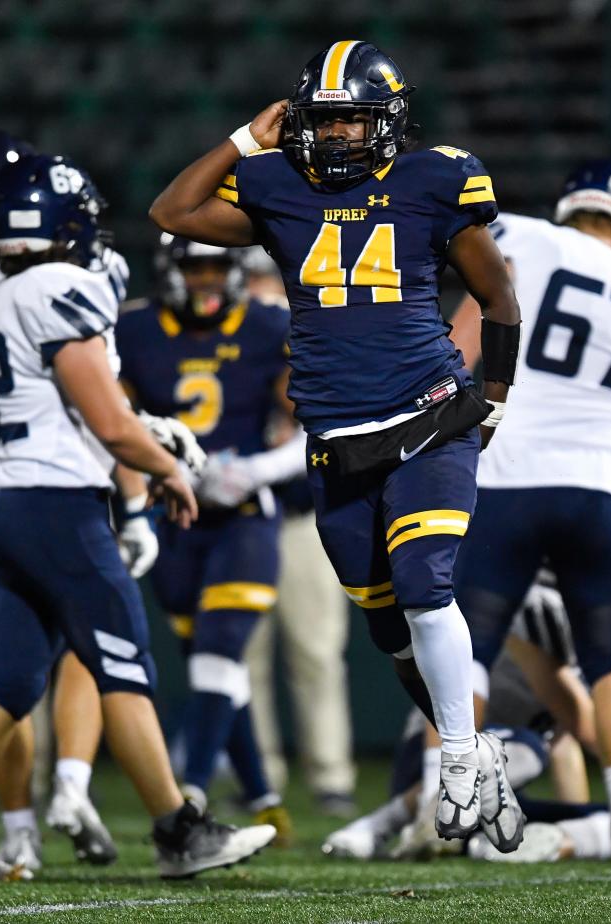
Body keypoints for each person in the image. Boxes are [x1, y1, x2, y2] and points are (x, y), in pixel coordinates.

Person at [149, 40, 524, 851]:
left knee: (427, 587)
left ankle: (457, 756)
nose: (339, 136)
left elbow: (497, 297)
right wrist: (245, 142)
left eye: (353, 119)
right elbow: (172, 212)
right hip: (336, 440)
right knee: (390, 635)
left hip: (426, 420)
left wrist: (490, 401)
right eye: (325, 121)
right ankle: (480, 747)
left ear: (387, 121)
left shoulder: (435, 179)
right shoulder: (277, 184)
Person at [0, 153, 275, 880]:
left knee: (9, 676)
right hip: (55, 504)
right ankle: (181, 833)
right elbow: (104, 420)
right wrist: (165, 467)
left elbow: (79, 407)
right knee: (123, 664)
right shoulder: (64, 288)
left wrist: (145, 433)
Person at [449, 160, 611, 861]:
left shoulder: (521, 238)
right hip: (609, 485)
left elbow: (457, 353)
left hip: (510, 469)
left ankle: (454, 806)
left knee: (465, 647)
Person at [323, 573, 611, 862]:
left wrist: (575, 808)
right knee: (524, 746)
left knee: (603, 818)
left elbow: (566, 742)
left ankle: (546, 842)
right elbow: (584, 726)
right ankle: (381, 824)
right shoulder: (529, 608)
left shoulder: (566, 615)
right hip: (437, 764)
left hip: (495, 781)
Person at [116, 235, 299, 843]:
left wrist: (257, 470)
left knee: (221, 647)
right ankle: (263, 794)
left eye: (218, 265)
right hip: (174, 516)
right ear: (172, 271)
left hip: (244, 509)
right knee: (211, 665)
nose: (207, 279)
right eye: (195, 266)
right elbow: (110, 420)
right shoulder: (136, 329)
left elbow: (322, 423)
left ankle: (189, 791)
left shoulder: (271, 324)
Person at [242, 246, 357, 815]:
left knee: (316, 652)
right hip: (241, 522)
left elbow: (317, 426)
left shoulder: (318, 334)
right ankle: (259, 777)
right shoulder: (229, 345)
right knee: (245, 656)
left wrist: (257, 467)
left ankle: (331, 774)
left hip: (300, 513)